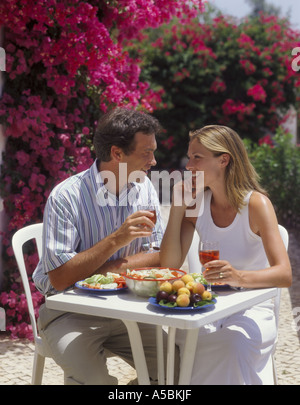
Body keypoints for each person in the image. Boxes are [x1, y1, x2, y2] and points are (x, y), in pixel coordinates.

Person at [33, 107, 177, 385]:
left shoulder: (144, 187)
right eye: (146, 152)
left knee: (177, 372)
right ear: (117, 153)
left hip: (129, 309)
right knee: (94, 382)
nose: (154, 161)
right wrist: (117, 239)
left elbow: (161, 256)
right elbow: (61, 278)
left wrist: (107, 269)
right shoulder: (66, 196)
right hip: (70, 313)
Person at [160, 124, 292, 385]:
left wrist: (238, 276)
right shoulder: (197, 205)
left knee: (231, 344)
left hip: (252, 309)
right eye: (189, 157)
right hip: (210, 306)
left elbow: (284, 274)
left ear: (223, 160)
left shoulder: (256, 204)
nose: (189, 165)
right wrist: (177, 207)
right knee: (179, 342)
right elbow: (170, 263)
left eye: (197, 157)